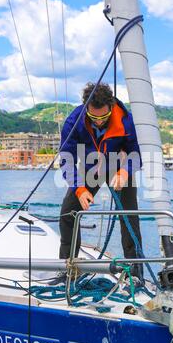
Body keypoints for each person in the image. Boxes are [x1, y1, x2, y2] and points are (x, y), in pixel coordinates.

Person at [59, 82, 143, 279]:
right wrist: (79, 188)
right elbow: (66, 157)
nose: (98, 121)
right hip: (91, 169)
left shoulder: (126, 120)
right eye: (93, 117)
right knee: (68, 213)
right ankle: (69, 269)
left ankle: (135, 270)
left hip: (119, 168)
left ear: (111, 107)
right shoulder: (74, 121)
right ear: (86, 108)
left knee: (129, 216)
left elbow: (136, 154)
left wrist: (125, 171)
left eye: (103, 117)